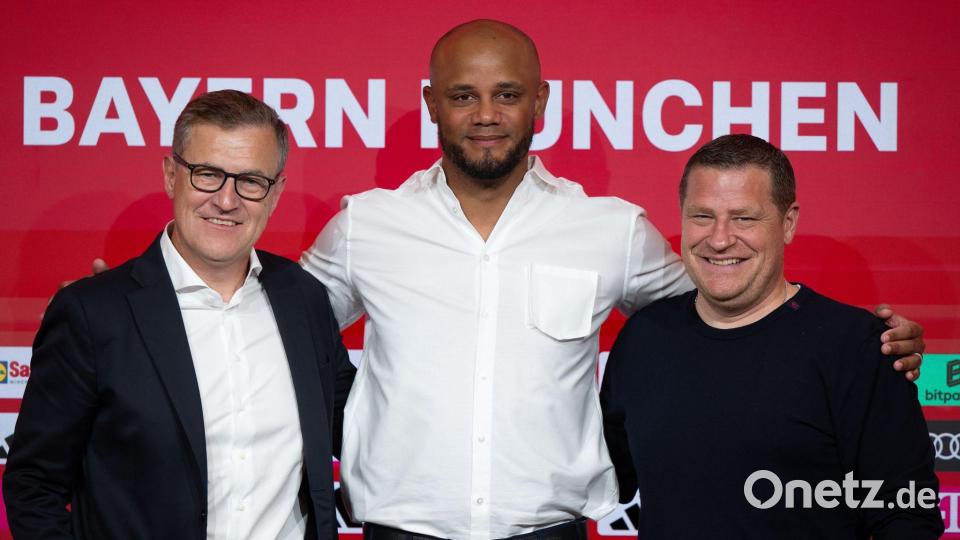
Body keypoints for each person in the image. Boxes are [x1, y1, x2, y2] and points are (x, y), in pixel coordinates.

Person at [301, 20, 926, 540]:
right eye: (463, 95)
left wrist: (858, 349)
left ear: (541, 102)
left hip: (551, 531)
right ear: (433, 102)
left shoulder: (610, 229)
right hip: (396, 529)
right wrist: (351, 419)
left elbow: (727, 308)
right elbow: (282, 327)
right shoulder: (367, 225)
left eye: (508, 94)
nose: (486, 114)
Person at [4, 90, 356, 540]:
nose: (227, 201)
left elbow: (360, 426)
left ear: (275, 193)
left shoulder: (302, 298)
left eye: (250, 181)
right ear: (172, 176)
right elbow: (35, 485)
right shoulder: (94, 314)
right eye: (207, 175)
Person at [600, 134, 943, 538]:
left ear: (788, 223)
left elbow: (906, 516)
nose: (720, 238)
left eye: (744, 217)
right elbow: (601, 477)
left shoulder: (859, 347)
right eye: (702, 216)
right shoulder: (645, 337)